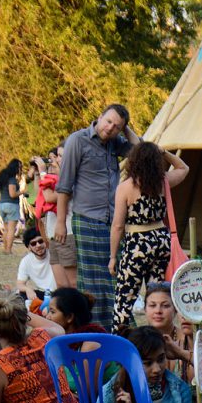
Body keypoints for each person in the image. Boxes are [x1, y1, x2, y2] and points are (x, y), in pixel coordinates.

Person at [54, 104, 141, 330]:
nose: (110, 128)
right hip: (86, 218)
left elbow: (141, 151)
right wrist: (61, 223)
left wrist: (126, 129)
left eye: (116, 126)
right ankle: (93, 328)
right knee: (92, 281)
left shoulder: (116, 143)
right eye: (108, 121)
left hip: (113, 221)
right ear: (99, 116)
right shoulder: (77, 140)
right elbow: (64, 185)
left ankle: (120, 326)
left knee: (116, 276)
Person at [109, 142, 189, 329]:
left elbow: (118, 225)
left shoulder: (126, 187)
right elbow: (183, 168)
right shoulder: (163, 182)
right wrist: (164, 152)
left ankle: (119, 342)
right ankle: (160, 337)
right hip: (161, 241)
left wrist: (113, 256)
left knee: (124, 300)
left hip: (137, 243)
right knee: (157, 298)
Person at [38, 145, 77, 289]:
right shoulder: (55, 179)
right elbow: (40, 196)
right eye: (56, 156)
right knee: (60, 284)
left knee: (72, 283)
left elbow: (49, 197)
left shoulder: (72, 179)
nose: (56, 160)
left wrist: (43, 173)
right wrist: (39, 175)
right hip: (54, 234)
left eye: (60, 156)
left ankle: (79, 310)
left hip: (68, 234)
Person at [17, 228, 56, 301]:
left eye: (40, 241)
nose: (38, 245)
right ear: (29, 247)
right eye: (33, 243)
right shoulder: (26, 261)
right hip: (42, 293)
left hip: (57, 293)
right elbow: (20, 284)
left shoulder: (54, 254)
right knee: (20, 295)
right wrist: (27, 289)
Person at [0, 159, 23, 255]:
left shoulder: (3, 178)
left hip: (2, 204)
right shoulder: (12, 179)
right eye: (20, 167)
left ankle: (5, 249)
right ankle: (9, 250)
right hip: (11, 205)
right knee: (12, 229)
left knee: (6, 229)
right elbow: (12, 194)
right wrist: (22, 192)